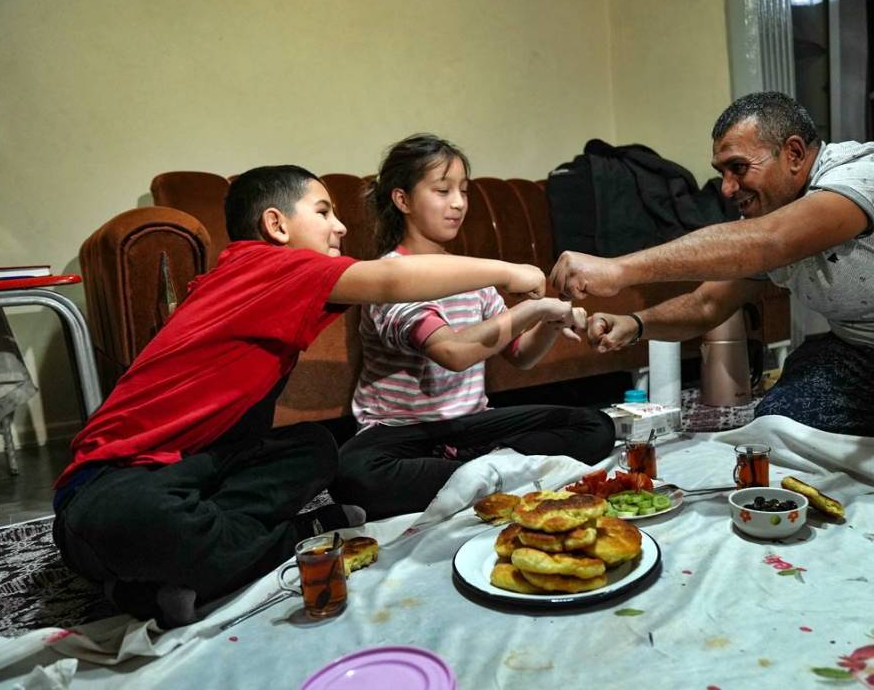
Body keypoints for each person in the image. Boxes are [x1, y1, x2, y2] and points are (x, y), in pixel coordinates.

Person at [52, 165, 547, 627]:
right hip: (112, 478)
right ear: (276, 225)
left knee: (313, 448)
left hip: (201, 464)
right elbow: (393, 280)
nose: (341, 228)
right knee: (145, 520)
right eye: (323, 212)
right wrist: (508, 272)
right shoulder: (263, 265)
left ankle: (190, 563)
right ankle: (294, 539)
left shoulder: (269, 278)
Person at [552, 91, 874, 452]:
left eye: (738, 167)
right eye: (721, 171)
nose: (725, 188)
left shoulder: (865, 173)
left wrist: (618, 270)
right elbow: (706, 304)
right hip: (866, 355)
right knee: (775, 439)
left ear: (792, 153)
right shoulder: (766, 218)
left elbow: (770, 243)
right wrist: (634, 325)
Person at [331, 134, 615, 519]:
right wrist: (535, 310)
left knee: (594, 425)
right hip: (402, 435)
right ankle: (503, 473)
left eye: (463, 191)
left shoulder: (473, 275)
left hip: (471, 430)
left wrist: (551, 319)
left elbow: (522, 356)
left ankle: (482, 476)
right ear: (403, 200)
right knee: (356, 474)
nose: (459, 203)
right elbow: (453, 352)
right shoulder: (389, 278)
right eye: (442, 190)